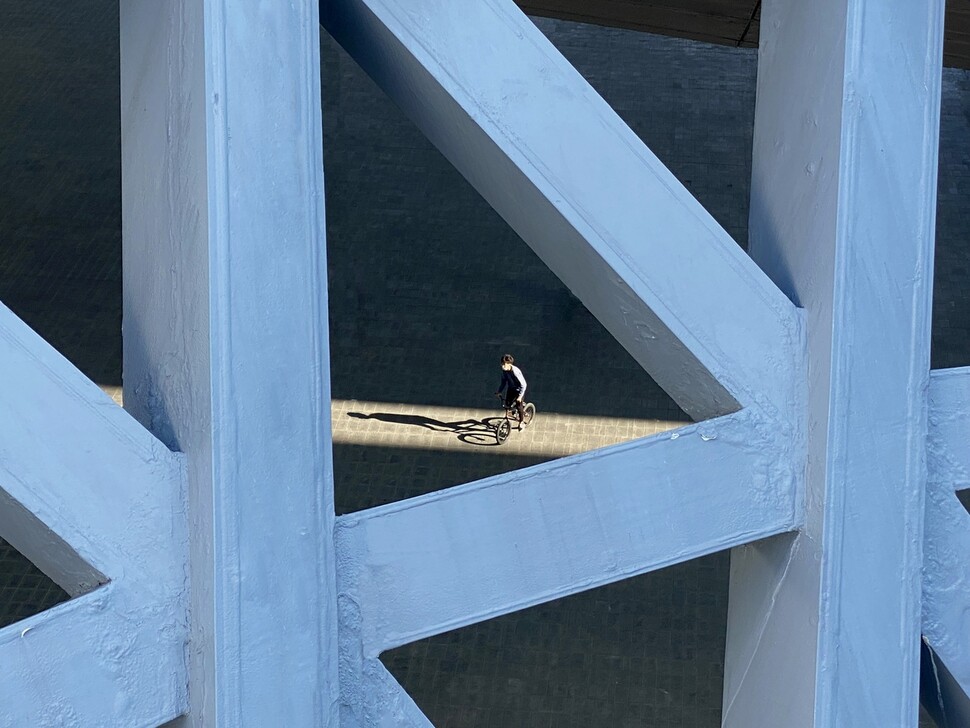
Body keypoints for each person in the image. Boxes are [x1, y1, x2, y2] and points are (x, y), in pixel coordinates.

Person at [495, 353, 529, 428]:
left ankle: (521, 421)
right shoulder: (504, 371)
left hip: (519, 390)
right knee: (507, 404)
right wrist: (499, 391)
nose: (502, 366)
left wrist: (520, 396)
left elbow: (524, 385)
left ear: (509, 364)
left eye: (504, 364)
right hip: (511, 388)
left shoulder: (516, 372)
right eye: (502, 364)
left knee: (518, 405)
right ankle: (514, 410)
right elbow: (503, 382)